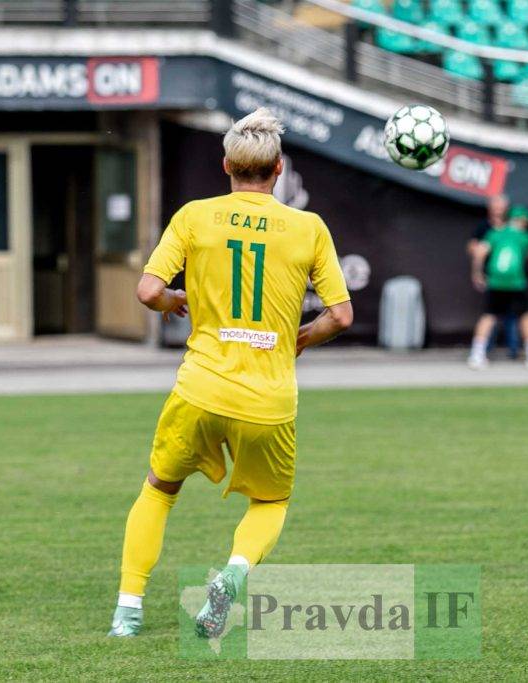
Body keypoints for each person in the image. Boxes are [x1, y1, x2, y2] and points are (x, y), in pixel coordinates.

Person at [108, 108, 353, 638]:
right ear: (279, 169)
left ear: (226, 166)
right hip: (267, 398)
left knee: (158, 489)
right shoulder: (307, 227)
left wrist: (176, 298)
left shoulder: (196, 216)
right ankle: (234, 573)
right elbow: (341, 314)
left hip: (200, 386)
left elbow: (148, 291)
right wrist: (300, 339)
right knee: (271, 501)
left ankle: (127, 611)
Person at [468, 205, 528, 370]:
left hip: (496, 282)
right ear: (521, 220)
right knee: (526, 316)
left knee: (489, 316)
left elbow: (479, 252)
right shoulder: (524, 237)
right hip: (515, 282)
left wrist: (477, 273)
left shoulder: (495, 233)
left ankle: (476, 355)